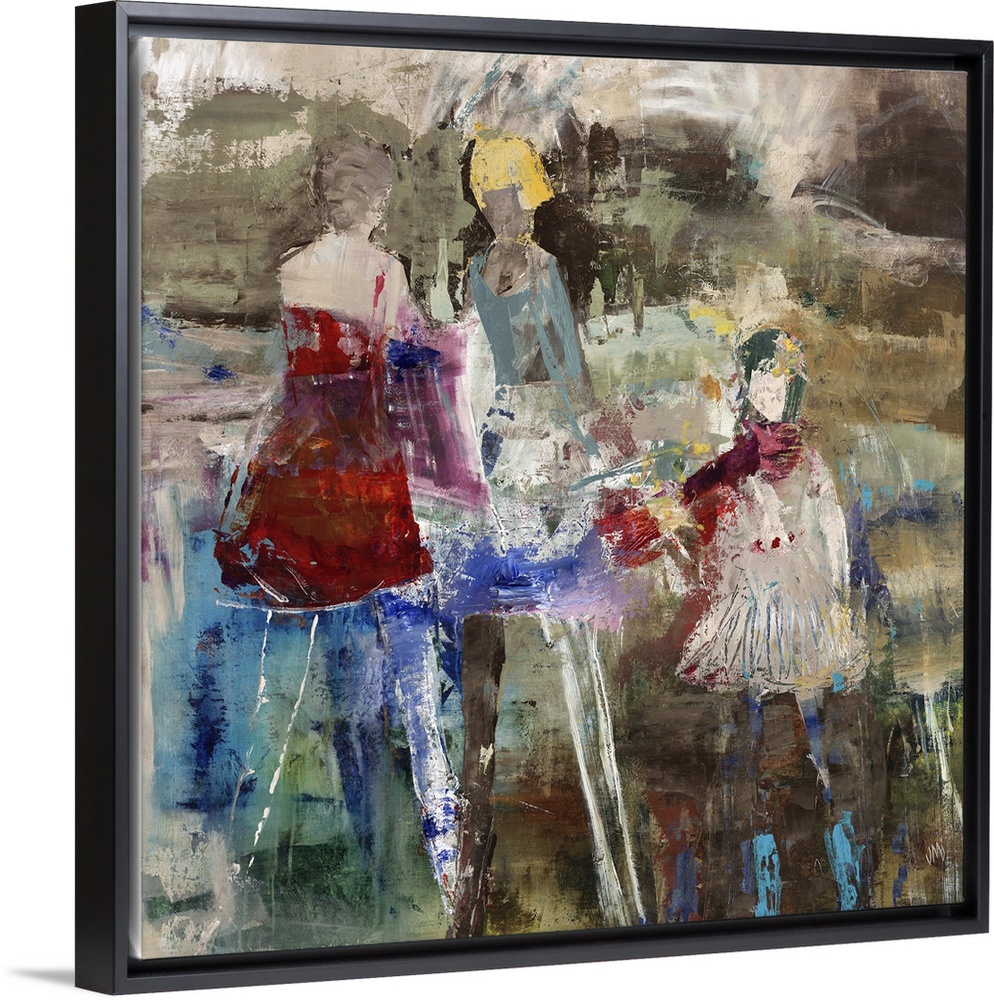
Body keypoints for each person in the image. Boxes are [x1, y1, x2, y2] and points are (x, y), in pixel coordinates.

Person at [214, 141, 460, 916]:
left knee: (306, 659)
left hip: (298, 472)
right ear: (375, 201)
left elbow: (290, 379)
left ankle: (268, 838)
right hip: (362, 473)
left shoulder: (292, 270)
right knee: (380, 651)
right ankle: (401, 845)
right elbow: (409, 360)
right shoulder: (386, 272)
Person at [452, 127, 645, 933]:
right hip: (505, 448)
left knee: (564, 627)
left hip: (540, 448)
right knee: (502, 626)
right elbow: (480, 368)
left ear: (528, 199)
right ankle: (482, 831)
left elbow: (568, 364)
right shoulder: (482, 274)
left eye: (515, 196)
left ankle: (599, 845)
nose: (508, 210)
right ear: (487, 201)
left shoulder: (537, 269)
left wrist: (590, 441)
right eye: (496, 197)